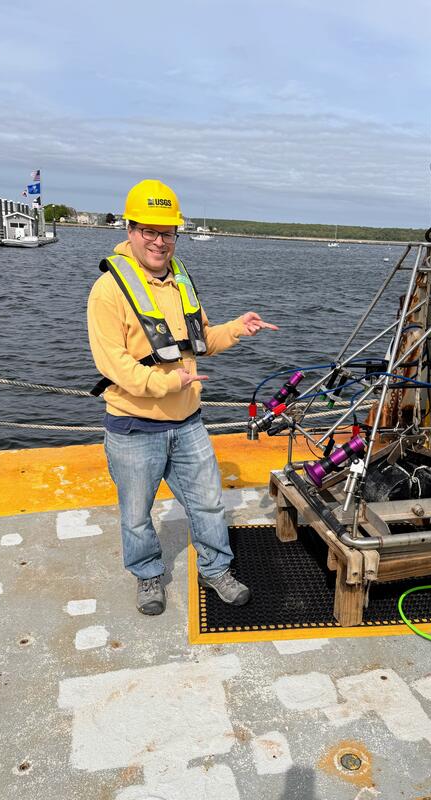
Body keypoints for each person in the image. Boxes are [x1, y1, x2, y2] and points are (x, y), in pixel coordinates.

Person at [87, 179, 277, 616]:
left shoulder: (181, 281)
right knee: (136, 515)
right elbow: (112, 364)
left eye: (167, 232)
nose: (159, 241)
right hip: (134, 425)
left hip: (188, 421)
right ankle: (148, 575)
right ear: (130, 229)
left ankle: (216, 571)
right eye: (149, 231)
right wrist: (167, 384)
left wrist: (236, 328)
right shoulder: (108, 290)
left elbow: (201, 340)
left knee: (209, 502)